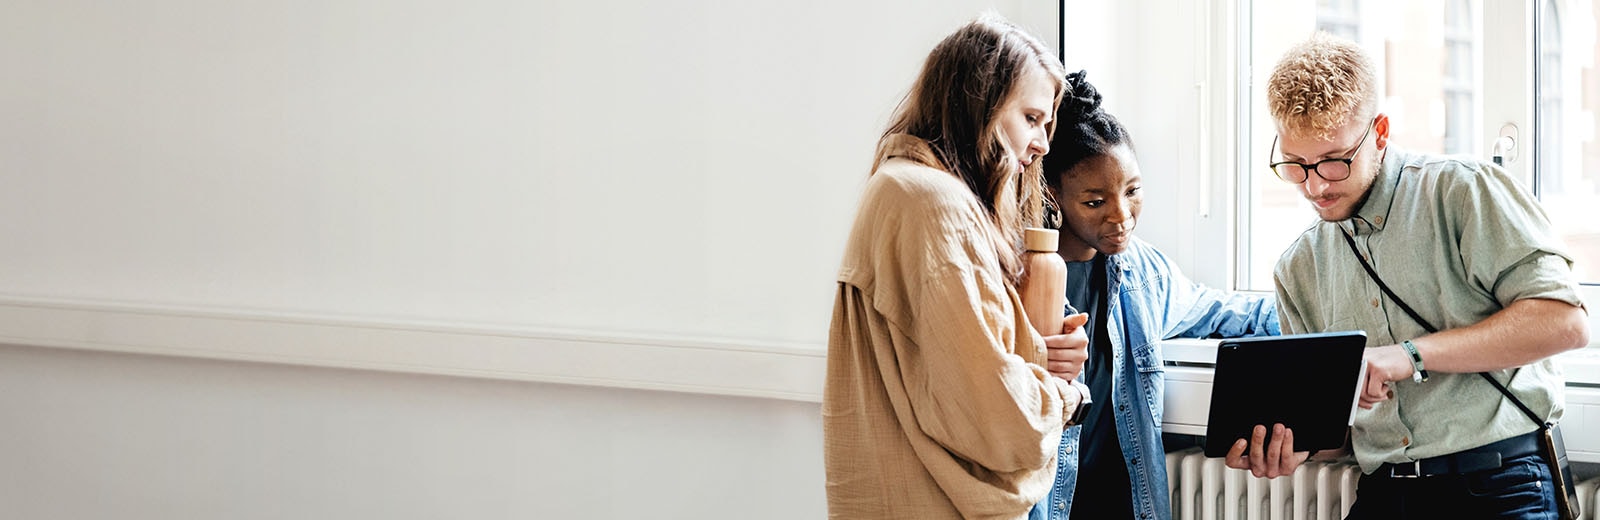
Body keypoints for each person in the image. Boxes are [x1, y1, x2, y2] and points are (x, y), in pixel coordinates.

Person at [1226, 32, 1591, 519]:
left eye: (1333, 162)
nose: (1314, 185)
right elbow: (1336, 433)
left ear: (1379, 132)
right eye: (1295, 165)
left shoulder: (1463, 192)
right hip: (1384, 494)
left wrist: (1407, 356)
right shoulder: (1298, 267)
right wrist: (1299, 448)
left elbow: (1565, 322)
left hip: (1501, 484)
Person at [822, 14, 1096, 520]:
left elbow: (944, 360)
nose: (1042, 145)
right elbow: (991, 410)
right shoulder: (934, 203)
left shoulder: (901, 187)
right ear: (982, 104)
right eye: (1032, 118)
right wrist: (1067, 398)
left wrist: (1040, 347)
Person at [1026, 71, 1281, 520]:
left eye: (1132, 191)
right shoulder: (1020, 277)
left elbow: (1229, 312)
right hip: (1049, 507)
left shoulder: (1143, 272)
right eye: (1094, 202)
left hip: (1129, 505)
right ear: (1054, 197)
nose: (1121, 216)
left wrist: (1327, 308)